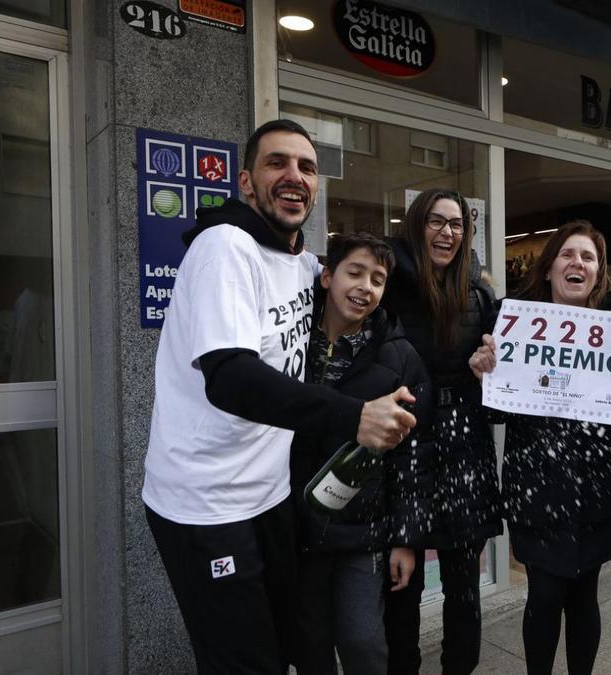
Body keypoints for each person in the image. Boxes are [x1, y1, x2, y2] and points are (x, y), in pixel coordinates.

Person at [141, 120, 416, 675]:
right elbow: (231, 379)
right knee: (243, 663)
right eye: (277, 163)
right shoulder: (225, 249)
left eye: (307, 167)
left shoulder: (297, 263)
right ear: (246, 181)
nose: (294, 176)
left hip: (267, 497)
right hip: (207, 505)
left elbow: (367, 284)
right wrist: (355, 415)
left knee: (281, 652)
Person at [468, 220, 611, 675]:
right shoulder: (513, 325)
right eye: (568, 254)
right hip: (536, 494)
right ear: (551, 265)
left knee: (584, 596)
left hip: (598, 494)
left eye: (589, 257)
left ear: (598, 274)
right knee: (544, 595)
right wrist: (484, 376)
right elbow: (495, 412)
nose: (578, 263)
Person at [289, 232, 436, 674]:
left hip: (363, 533)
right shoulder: (289, 342)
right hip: (294, 529)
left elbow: (417, 455)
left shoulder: (399, 358)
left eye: (377, 279)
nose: (365, 287)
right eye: (354, 272)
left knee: (364, 645)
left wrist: (407, 539)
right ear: (327, 277)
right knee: (309, 650)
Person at [381, 187, 501, 675]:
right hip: (404, 445)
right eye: (435, 221)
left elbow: (502, 379)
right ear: (416, 224)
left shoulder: (479, 290)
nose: (446, 232)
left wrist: (484, 371)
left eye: (456, 224)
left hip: (464, 448)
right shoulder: (388, 285)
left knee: (462, 584)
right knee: (400, 584)